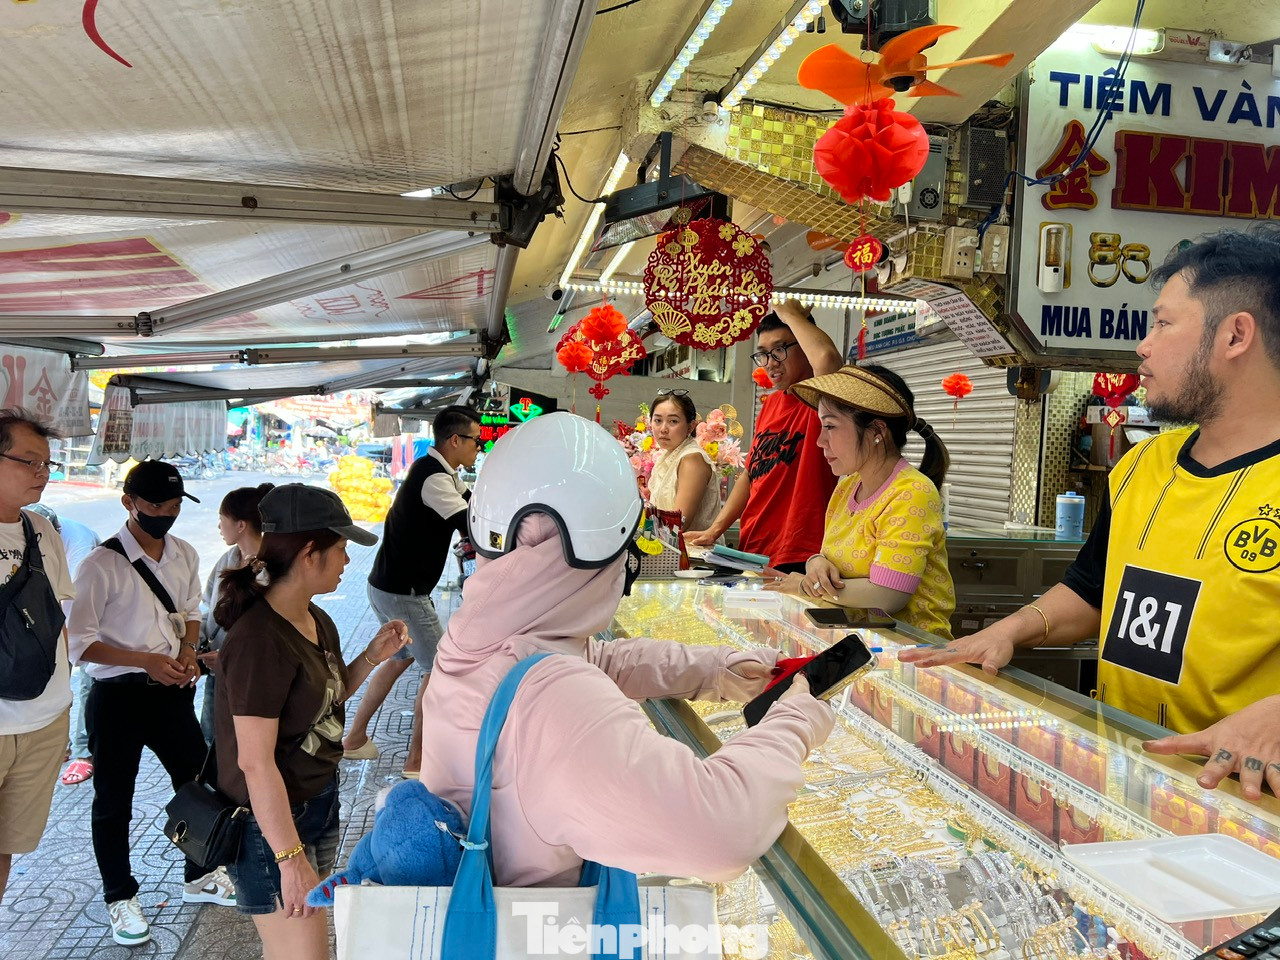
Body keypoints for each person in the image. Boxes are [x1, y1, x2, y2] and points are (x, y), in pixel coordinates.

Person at [901, 224, 1280, 804]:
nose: (1142, 346)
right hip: (1120, 774)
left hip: (1240, 808)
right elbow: (1093, 589)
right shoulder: (1141, 465)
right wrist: (1008, 631)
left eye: (1162, 323)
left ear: (1235, 335)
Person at [420, 412, 835, 887]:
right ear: (610, 552)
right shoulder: (550, 700)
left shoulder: (484, 637)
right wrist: (796, 720)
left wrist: (719, 670)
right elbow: (718, 831)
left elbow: (596, 660)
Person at [213, 484, 407, 960]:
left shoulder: (316, 619)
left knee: (294, 949)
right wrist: (289, 858)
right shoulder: (258, 640)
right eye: (339, 550)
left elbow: (325, 699)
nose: (345, 562)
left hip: (314, 802)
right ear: (308, 553)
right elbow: (255, 763)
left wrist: (371, 657)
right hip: (271, 826)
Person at [68, 459, 234, 946]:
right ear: (130, 503)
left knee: (199, 785)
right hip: (116, 699)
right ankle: (120, 897)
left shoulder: (182, 553)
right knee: (113, 800)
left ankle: (199, 875)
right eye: (157, 504)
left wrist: (185, 652)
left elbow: (188, 613)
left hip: (170, 694)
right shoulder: (100, 564)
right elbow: (80, 645)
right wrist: (143, 660)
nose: (167, 512)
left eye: (176, 504)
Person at [342, 405, 482, 778]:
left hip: (387, 584)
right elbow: (471, 524)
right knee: (438, 668)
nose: (478, 449)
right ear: (455, 440)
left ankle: (353, 740)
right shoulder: (433, 478)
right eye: (475, 440)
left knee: (399, 657)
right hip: (403, 592)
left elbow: (475, 503)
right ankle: (416, 762)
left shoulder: (443, 473)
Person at [772, 364, 956, 637]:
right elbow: (832, 558)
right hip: (857, 641)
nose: (820, 441)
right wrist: (815, 563)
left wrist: (806, 585)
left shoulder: (913, 492)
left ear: (876, 431)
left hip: (909, 651)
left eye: (831, 426)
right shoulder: (847, 486)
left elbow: (887, 596)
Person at [687, 300, 844, 571]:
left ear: (805, 349)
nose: (770, 363)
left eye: (780, 350)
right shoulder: (770, 404)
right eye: (763, 353)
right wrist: (714, 530)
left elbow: (828, 359)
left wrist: (789, 313)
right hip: (754, 547)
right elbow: (751, 475)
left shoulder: (819, 402)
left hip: (800, 552)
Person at [0, 409, 74, 902]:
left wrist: (65, 707)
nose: (43, 474)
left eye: (48, 464)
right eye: (30, 461)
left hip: (44, 721)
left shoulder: (41, 530)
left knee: (6, 846)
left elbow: (57, 619)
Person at [25, 503, 101, 786]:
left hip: (91, 614)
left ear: (56, 532)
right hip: (54, 612)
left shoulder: (79, 545)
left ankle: (83, 751)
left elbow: (74, 607)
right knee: (49, 677)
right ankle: (58, 742)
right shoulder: (25, 532)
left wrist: (64, 649)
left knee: (84, 681)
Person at [198, 483, 274, 743]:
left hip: (250, 676)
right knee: (211, 741)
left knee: (243, 743)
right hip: (216, 672)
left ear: (240, 525)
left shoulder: (272, 569)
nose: (219, 527)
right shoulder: (228, 559)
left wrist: (232, 659)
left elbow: (270, 629)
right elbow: (206, 604)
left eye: (222, 520)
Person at [646, 389, 722, 532]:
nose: (663, 429)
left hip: (691, 552)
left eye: (673, 421)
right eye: (657, 420)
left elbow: (678, 525)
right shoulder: (668, 455)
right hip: (668, 550)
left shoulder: (692, 459)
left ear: (691, 426)